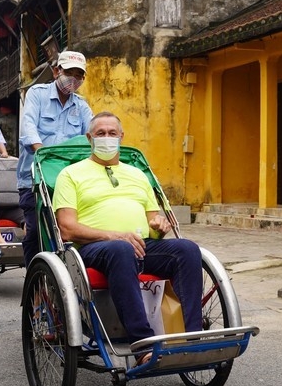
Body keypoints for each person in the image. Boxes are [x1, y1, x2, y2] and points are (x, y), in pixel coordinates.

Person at [53, 112, 202, 359]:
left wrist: (159, 225)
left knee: (187, 249)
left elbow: (153, 221)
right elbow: (67, 228)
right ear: (90, 138)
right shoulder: (71, 174)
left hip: (142, 244)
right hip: (96, 248)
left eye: (112, 133)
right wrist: (113, 236)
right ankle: (142, 344)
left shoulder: (138, 175)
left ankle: (192, 337)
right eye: (100, 133)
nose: (107, 138)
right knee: (121, 249)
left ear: (122, 137)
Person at [18, 49, 94, 266]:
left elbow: (93, 132)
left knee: (72, 230)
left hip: (68, 181)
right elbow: (29, 126)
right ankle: (34, 280)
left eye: (79, 75)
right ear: (56, 71)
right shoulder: (37, 94)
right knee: (35, 233)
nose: (74, 79)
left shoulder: (81, 105)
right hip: (35, 179)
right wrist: (41, 150)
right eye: (69, 72)